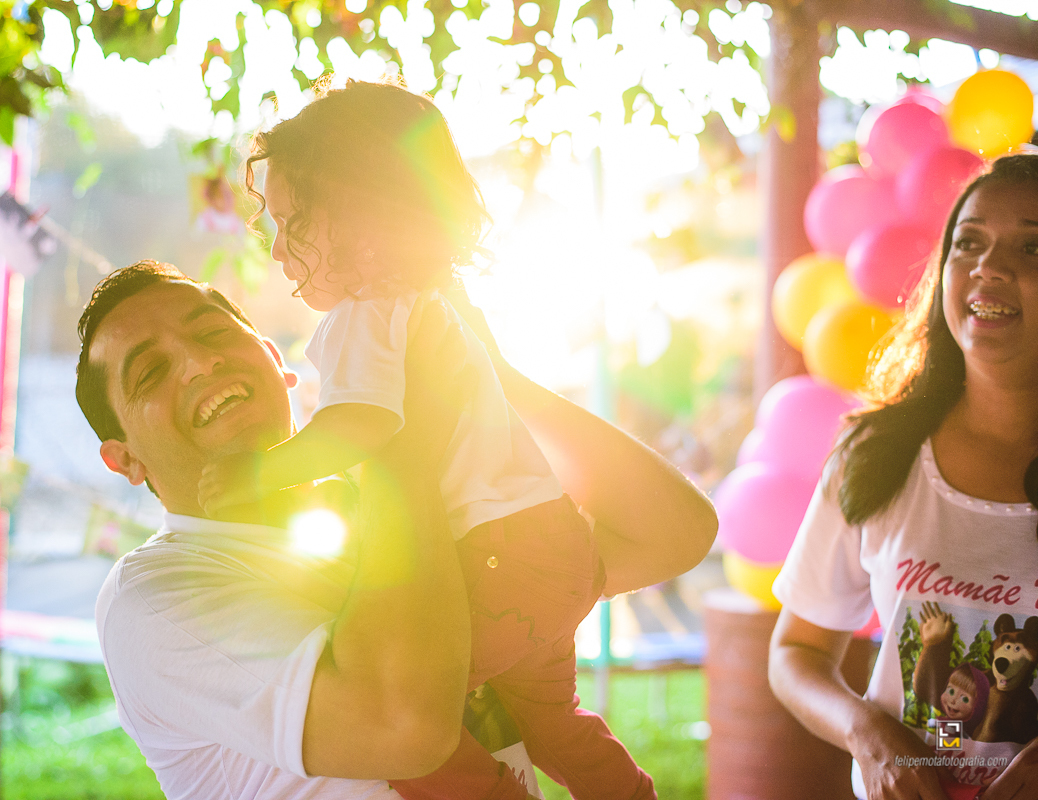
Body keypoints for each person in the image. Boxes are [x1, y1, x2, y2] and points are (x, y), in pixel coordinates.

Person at [78, 261, 716, 800]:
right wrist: (402, 440)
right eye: (150, 373)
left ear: (275, 359)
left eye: (213, 331)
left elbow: (671, 534)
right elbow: (405, 728)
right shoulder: (155, 597)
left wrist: (490, 368)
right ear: (124, 458)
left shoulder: (405, 503)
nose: (197, 362)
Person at [197, 78, 664, 800]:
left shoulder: (364, 317)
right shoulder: (435, 303)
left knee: (409, 713)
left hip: (492, 562)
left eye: (294, 223)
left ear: (360, 219)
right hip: (555, 545)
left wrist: (260, 474)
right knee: (554, 720)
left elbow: (360, 425)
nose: (277, 246)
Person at [768, 153, 1038, 800]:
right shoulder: (877, 453)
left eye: (1032, 248)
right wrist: (870, 734)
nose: (989, 267)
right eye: (968, 242)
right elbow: (794, 655)